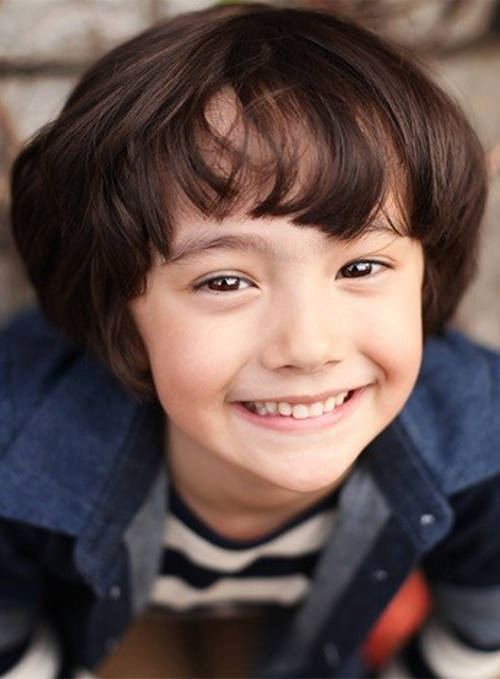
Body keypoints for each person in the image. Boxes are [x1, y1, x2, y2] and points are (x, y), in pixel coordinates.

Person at [1, 3, 500, 677]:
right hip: (102, 613)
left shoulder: (479, 443)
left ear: (426, 278)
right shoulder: (21, 445)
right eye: (226, 281)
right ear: (119, 310)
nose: (309, 345)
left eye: (360, 267)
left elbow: (482, 635)